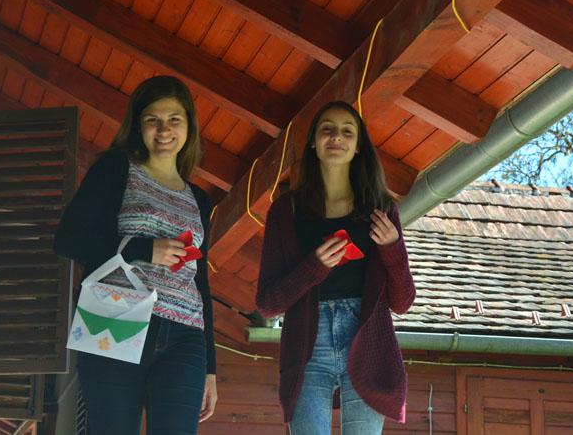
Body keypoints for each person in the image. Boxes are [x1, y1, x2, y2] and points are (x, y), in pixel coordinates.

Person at [54, 75, 217, 434]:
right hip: (115, 314)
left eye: (174, 119)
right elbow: (68, 240)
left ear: (189, 126)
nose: (164, 129)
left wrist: (211, 369)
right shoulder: (116, 167)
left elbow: (201, 281)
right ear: (138, 126)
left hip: (186, 335)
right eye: (152, 119)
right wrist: (143, 248)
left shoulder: (200, 198)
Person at [256, 101, 416, 434]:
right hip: (307, 346)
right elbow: (267, 303)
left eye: (347, 131)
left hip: (367, 343)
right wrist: (314, 267)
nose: (336, 137)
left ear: (358, 146)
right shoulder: (286, 210)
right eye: (327, 129)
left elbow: (402, 302)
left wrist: (392, 249)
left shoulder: (381, 208)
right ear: (313, 142)